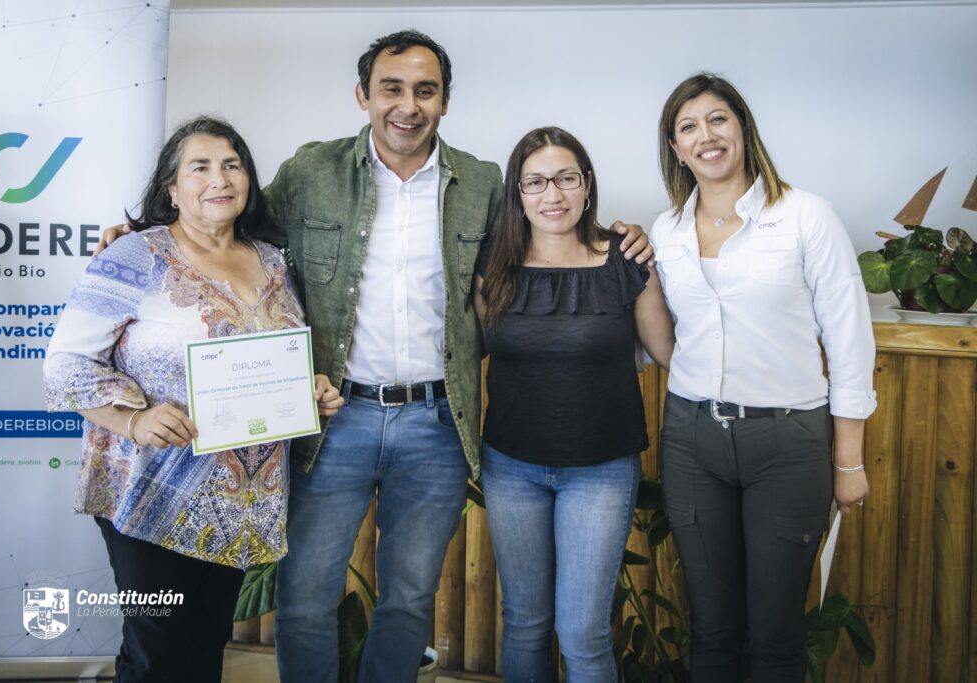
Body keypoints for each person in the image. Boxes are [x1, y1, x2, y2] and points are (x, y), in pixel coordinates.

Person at [96, 30, 654, 682]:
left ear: (445, 101)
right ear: (363, 95)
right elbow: (232, 226)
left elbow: (543, 235)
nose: (408, 106)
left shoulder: (481, 183)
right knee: (305, 597)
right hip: (334, 420)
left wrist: (621, 235)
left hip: (437, 425)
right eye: (392, 88)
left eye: (425, 90)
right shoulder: (312, 172)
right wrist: (147, 235)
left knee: (410, 600)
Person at [44, 116, 343, 683]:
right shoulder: (133, 255)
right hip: (152, 489)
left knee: (205, 650)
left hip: (239, 501)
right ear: (172, 188)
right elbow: (66, 363)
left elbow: (270, 360)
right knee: (156, 656)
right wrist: (133, 420)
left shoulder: (274, 261)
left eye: (232, 165)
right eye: (199, 167)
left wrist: (311, 388)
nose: (219, 179)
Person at [650, 73, 876, 681]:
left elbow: (850, 342)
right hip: (691, 439)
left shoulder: (806, 216)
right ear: (675, 148)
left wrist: (848, 460)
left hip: (788, 442)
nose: (706, 136)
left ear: (743, 128)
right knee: (712, 630)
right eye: (688, 127)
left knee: (776, 634)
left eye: (718, 119)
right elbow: (668, 339)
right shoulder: (666, 231)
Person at [474, 127, 674, 682]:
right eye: (535, 182)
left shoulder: (627, 260)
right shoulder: (491, 266)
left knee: (584, 632)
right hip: (511, 467)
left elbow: (670, 354)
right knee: (525, 623)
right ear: (517, 192)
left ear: (587, 184)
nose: (553, 194)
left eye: (565, 178)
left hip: (601, 471)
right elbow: (467, 349)